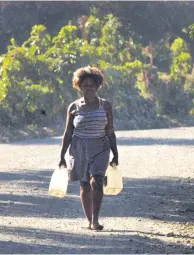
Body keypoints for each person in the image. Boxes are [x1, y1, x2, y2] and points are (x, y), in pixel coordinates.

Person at [58, 66, 119, 231]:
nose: (89, 88)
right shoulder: (73, 107)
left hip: (101, 147)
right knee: (85, 185)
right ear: (79, 86)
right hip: (79, 148)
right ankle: (89, 219)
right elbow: (68, 133)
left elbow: (110, 130)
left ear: (98, 86)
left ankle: (96, 220)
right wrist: (62, 155)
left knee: (97, 181)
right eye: (85, 85)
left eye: (92, 85)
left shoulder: (105, 106)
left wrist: (115, 153)